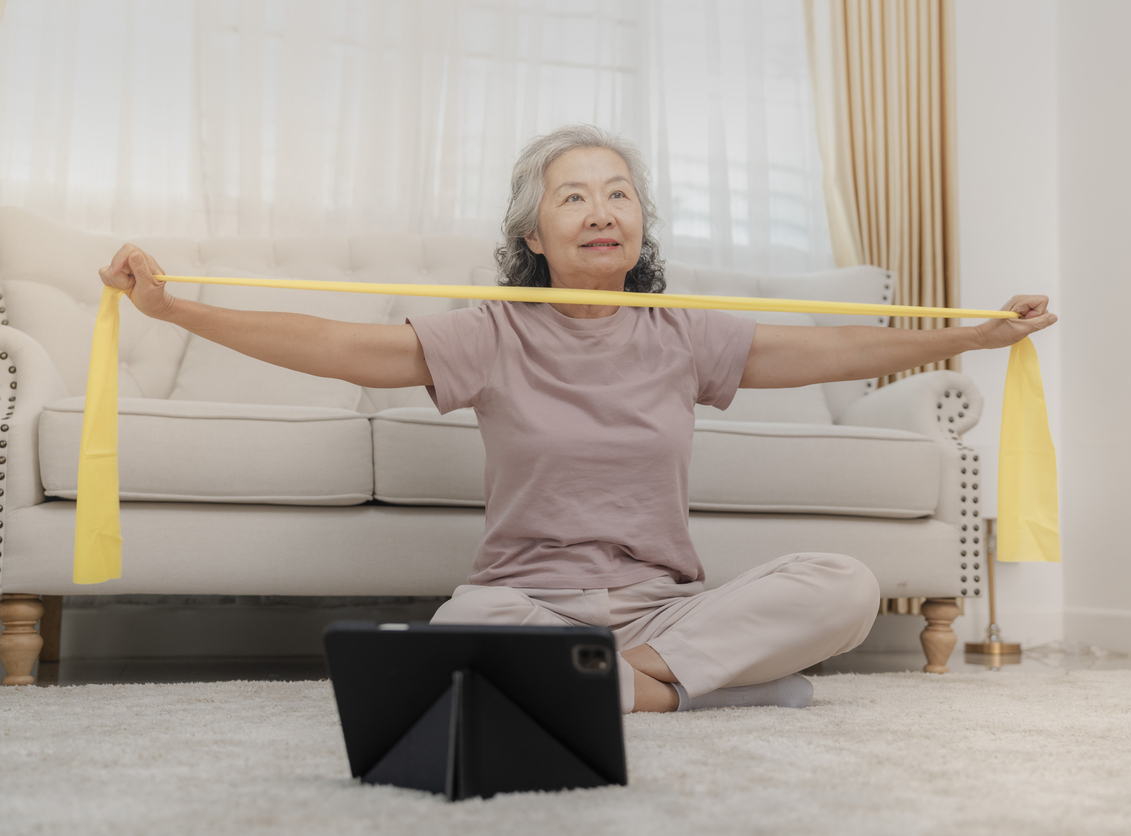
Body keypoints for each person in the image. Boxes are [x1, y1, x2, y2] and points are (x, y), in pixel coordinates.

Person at [100, 125, 1057, 714]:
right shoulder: (494, 331)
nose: (602, 211)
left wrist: (968, 338)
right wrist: (174, 308)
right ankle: (698, 691)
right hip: (524, 601)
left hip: (663, 606)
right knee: (460, 633)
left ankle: (608, 685)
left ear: (640, 221)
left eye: (619, 194)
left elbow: (833, 351)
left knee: (845, 585)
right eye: (574, 197)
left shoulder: (680, 333)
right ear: (534, 234)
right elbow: (336, 344)